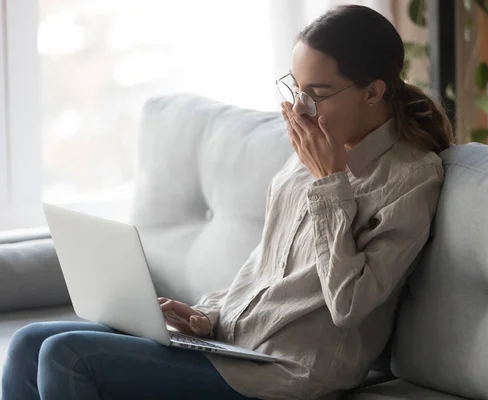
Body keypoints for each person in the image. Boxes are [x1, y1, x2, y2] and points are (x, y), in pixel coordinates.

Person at [1, 4, 453, 400]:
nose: (299, 110)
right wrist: (207, 315)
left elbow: (350, 304)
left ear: (373, 92)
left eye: (316, 95)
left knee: (66, 355)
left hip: (287, 374)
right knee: (28, 342)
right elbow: (266, 270)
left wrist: (330, 181)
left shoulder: (411, 178)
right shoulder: (309, 152)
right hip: (235, 346)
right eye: (295, 89)